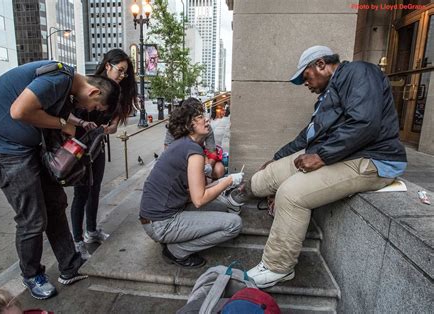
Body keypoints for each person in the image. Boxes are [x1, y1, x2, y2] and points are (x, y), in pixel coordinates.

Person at [221, 45, 407, 288]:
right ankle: (236, 198)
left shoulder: (360, 73)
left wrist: (322, 157)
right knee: (267, 177)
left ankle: (278, 267)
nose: (305, 84)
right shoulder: (327, 96)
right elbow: (306, 138)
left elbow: (365, 123)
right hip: (342, 154)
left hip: (372, 159)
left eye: (305, 77)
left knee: (291, 193)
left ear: (321, 64)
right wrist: (277, 159)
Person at [0, 60, 120, 299]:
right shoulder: (58, 80)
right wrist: (61, 123)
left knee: (56, 203)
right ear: (94, 91)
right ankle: (31, 275)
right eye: (95, 107)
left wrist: (72, 122)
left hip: (22, 148)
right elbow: (19, 111)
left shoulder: (66, 84)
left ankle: (70, 265)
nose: (89, 110)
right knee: (32, 217)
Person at [139, 99, 244, 268]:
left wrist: (224, 181)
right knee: (234, 224)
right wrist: (230, 180)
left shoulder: (183, 145)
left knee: (222, 208)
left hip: (155, 217)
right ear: (190, 124)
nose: (207, 119)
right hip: (161, 223)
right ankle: (177, 250)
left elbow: (195, 191)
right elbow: (199, 199)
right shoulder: (193, 151)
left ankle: (174, 239)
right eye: (201, 116)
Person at [70, 49, 137, 259]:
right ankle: (77, 240)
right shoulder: (88, 84)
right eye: (120, 70)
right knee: (81, 192)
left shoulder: (118, 91)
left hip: (97, 144)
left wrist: (114, 126)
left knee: (95, 187)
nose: (122, 75)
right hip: (79, 144)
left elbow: (117, 118)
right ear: (108, 65)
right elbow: (69, 111)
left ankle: (91, 230)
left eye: (125, 72)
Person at [163, 98, 225, 180]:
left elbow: (212, 151)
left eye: (202, 114)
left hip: (199, 157)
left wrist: (208, 166)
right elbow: (168, 151)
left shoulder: (205, 128)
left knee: (219, 169)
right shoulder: (174, 127)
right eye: (200, 116)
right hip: (180, 161)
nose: (207, 119)